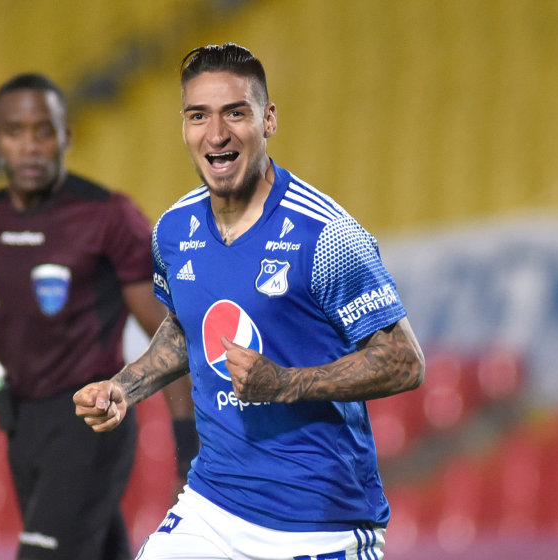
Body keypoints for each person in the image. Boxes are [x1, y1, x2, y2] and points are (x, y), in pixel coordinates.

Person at [74, 44, 425, 560]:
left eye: (234, 113)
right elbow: (183, 326)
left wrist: (284, 384)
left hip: (319, 521)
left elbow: (405, 361)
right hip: (213, 507)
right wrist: (123, 387)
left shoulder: (326, 235)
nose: (216, 134)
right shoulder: (173, 230)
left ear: (268, 119)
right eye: (199, 116)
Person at [0, 73, 198, 560]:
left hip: (91, 423)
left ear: (66, 136)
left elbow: (173, 337)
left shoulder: (108, 216)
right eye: (15, 132)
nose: (31, 146)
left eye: (44, 131)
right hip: (22, 429)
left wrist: (189, 452)